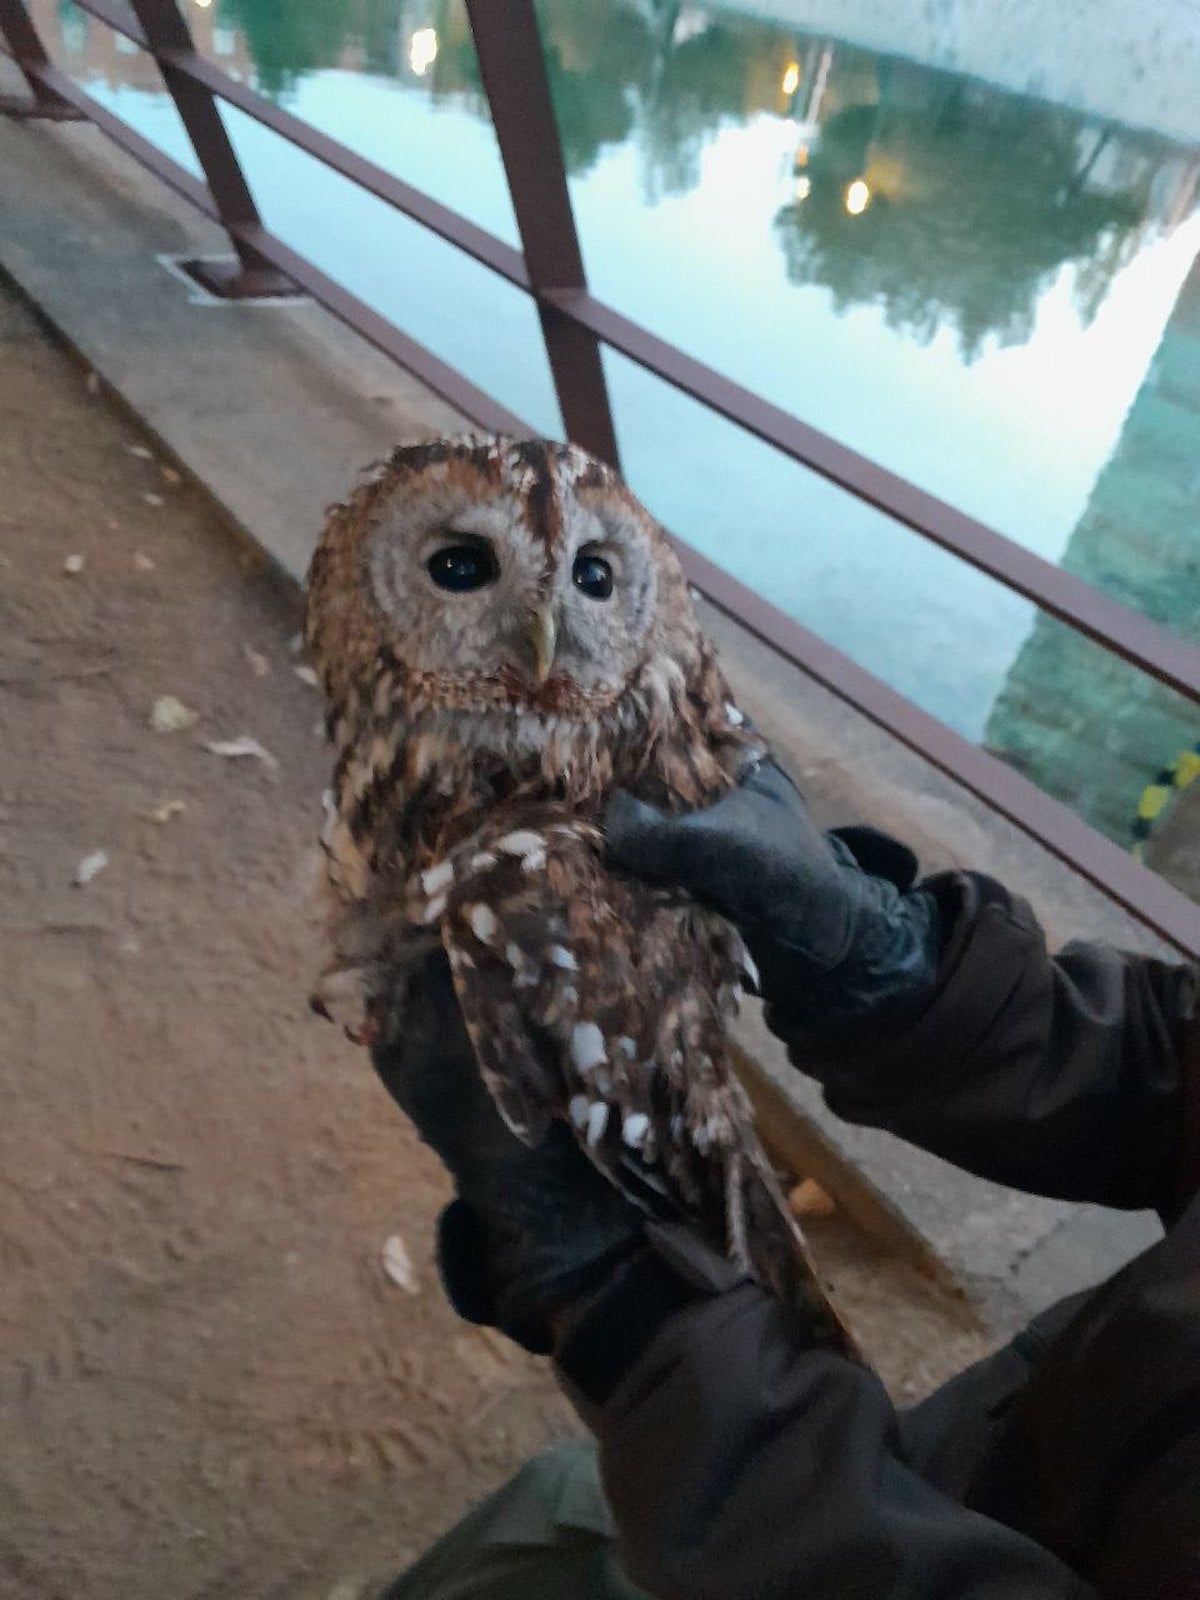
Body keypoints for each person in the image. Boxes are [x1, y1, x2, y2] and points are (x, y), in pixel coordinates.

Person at [366, 764, 1199, 1600]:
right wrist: (892, 963)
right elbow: (1169, 1076)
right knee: (542, 1527)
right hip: (973, 1461)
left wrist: (619, 1306)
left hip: (826, 1543)